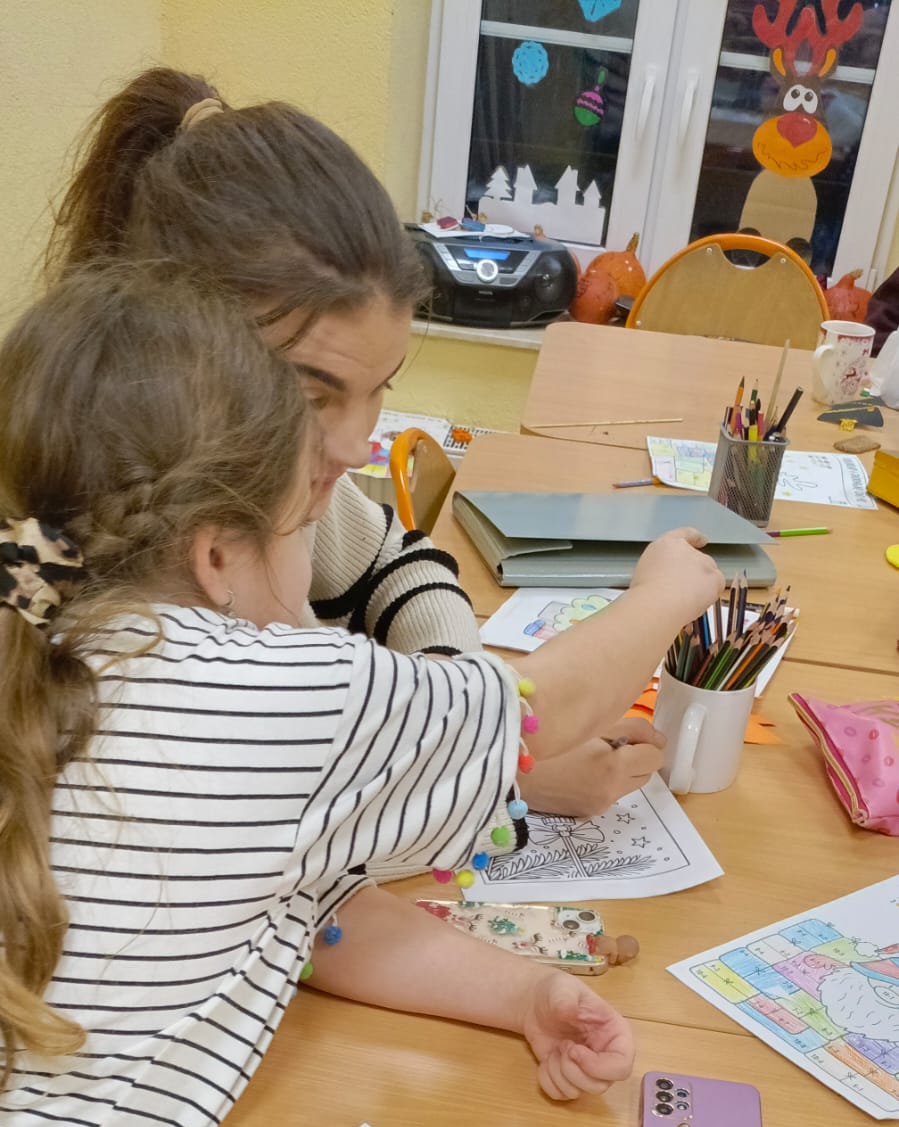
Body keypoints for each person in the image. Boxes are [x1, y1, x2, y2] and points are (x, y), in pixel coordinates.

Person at [0, 261, 642, 1127]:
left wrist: (518, 992)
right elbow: (522, 714)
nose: (322, 559)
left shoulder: (54, 645)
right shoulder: (273, 689)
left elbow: (312, 919)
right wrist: (674, 584)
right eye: (310, 518)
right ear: (218, 553)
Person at [47, 67, 724, 819]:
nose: (354, 446)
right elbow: (528, 714)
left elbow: (397, 560)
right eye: (313, 396)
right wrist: (496, 770)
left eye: (380, 390)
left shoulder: (241, 474)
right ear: (183, 359)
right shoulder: (127, 608)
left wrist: (449, 729)